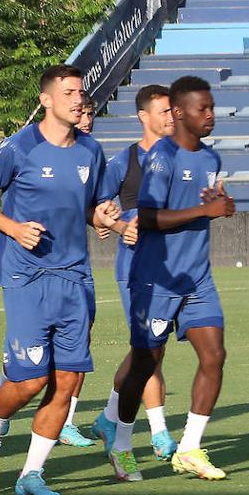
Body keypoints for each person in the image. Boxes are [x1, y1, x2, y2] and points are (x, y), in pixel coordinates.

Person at [0, 64, 118, 495]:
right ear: (47, 99)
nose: (77, 98)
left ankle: (32, 474)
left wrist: (100, 217)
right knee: (31, 381)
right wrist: (13, 228)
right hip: (27, 276)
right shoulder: (21, 146)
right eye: (69, 91)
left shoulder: (91, 150)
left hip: (76, 278)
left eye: (80, 91)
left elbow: (88, 205)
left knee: (67, 382)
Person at [108, 76, 234, 482]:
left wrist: (219, 204)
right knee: (146, 364)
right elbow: (145, 217)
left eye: (212, 107)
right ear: (179, 113)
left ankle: (190, 448)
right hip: (156, 278)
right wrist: (204, 213)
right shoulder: (162, 158)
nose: (211, 115)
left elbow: (206, 203)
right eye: (203, 108)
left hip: (197, 278)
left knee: (214, 355)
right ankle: (122, 444)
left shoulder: (211, 159)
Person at [88, 86, 178, 460]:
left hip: (175, 270)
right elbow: (97, 208)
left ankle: (110, 415)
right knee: (148, 350)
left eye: (173, 111)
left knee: (152, 352)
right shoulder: (125, 162)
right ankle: (159, 433)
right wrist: (117, 222)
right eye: (163, 111)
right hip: (137, 269)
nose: (171, 117)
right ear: (143, 116)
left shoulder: (185, 157)